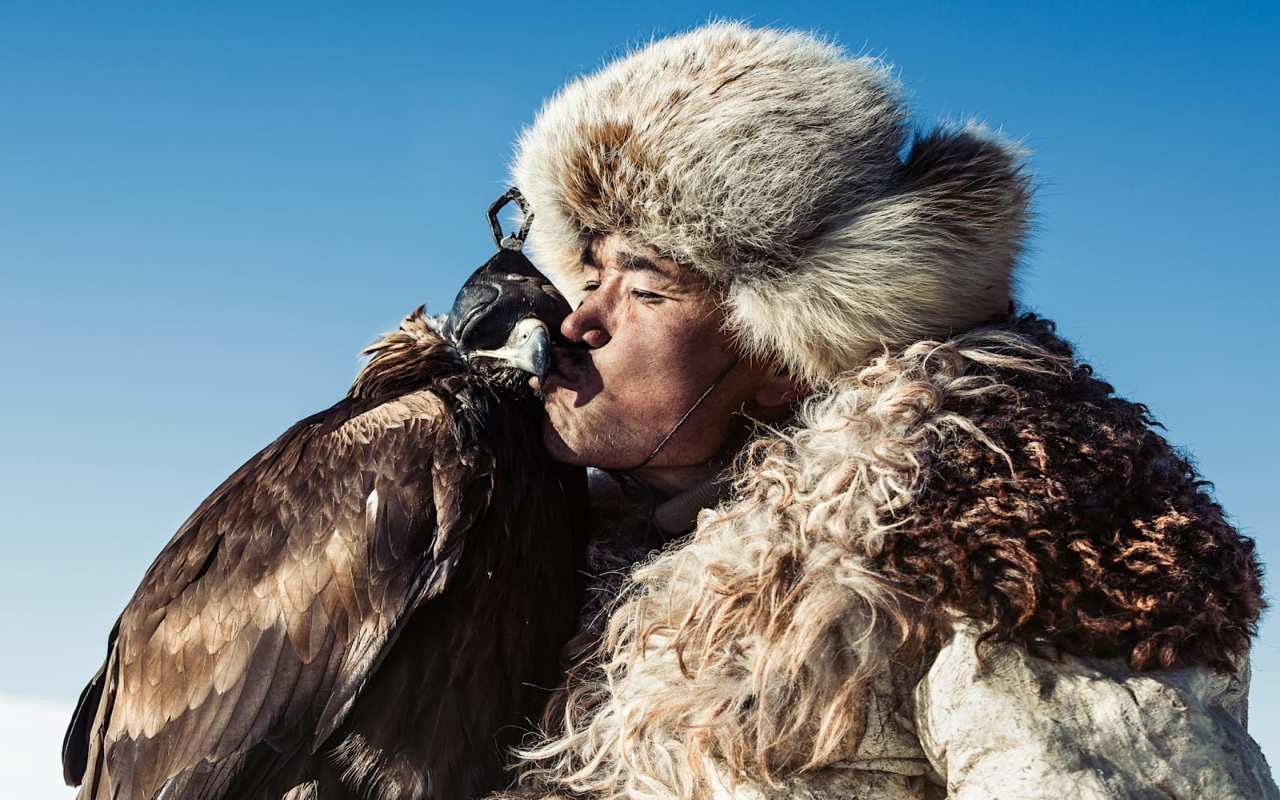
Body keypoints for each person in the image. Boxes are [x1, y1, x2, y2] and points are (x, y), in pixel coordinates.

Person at [496, 20, 1277, 799]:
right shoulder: (558, 549)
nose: (576, 322)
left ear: (781, 355)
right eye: (590, 277)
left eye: (645, 289)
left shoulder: (986, 532)